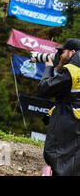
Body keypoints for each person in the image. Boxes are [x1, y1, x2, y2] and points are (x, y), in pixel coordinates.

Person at [37, 38, 80, 176]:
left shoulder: (71, 71)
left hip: (66, 120)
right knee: (74, 159)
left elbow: (44, 89)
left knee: (55, 154)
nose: (60, 55)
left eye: (62, 52)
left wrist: (49, 67)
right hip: (76, 119)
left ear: (72, 52)